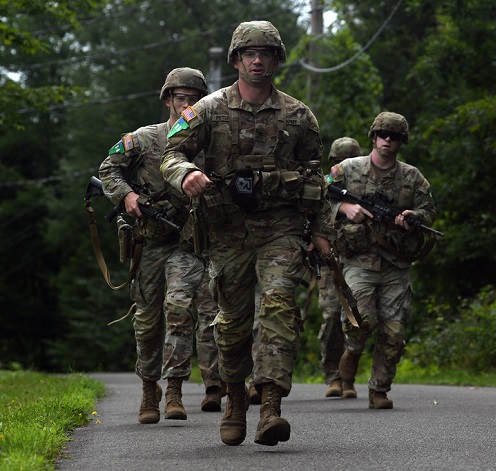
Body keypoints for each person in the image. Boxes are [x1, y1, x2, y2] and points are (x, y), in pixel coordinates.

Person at [160, 20, 331, 447]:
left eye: (266, 53)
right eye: (249, 53)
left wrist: (322, 231)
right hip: (227, 232)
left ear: (276, 60)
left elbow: (316, 178)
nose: (257, 60)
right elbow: (171, 153)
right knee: (232, 324)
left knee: (278, 305)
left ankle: (271, 404)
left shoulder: (298, 115)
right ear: (236, 59)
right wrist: (187, 174)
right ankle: (235, 397)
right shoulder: (206, 110)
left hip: (281, 229)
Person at [99, 67, 223, 424]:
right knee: (146, 320)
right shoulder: (143, 139)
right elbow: (109, 168)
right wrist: (128, 197)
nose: (187, 104)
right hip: (150, 243)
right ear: (168, 99)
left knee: (180, 310)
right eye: (181, 97)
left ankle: (175, 390)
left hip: (189, 243)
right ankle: (149, 389)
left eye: (194, 98)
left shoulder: (208, 144)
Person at [327, 112, 437, 409]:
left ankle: (379, 389)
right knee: (361, 323)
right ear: (373, 137)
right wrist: (344, 208)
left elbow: (428, 212)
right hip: (358, 260)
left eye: (395, 136)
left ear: (402, 141)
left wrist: (412, 218)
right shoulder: (347, 169)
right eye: (383, 134)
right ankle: (350, 353)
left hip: (396, 264)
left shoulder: (412, 177)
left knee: (394, 330)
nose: (388, 140)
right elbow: (313, 193)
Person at [318, 137, 361, 398]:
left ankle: (348, 377)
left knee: (356, 319)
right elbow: (317, 199)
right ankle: (333, 375)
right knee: (332, 317)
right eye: (337, 161)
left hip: (359, 260)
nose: (342, 166)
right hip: (329, 261)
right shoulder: (325, 186)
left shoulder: (364, 185)